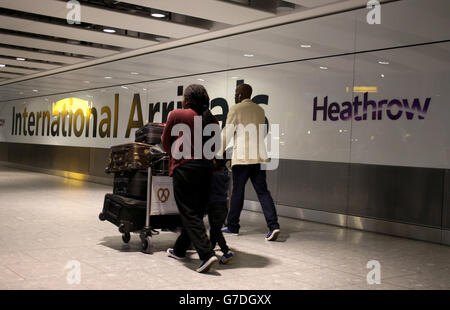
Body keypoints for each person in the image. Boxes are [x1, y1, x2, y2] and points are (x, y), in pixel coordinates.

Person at [161, 84, 219, 273]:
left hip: (184, 168)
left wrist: (176, 154)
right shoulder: (212, 119)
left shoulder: (177, 114)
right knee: (195, 211)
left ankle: (206, 254)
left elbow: (165, 142)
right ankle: (179, 250)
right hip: (206, 169)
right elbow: (215, 147)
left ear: (186, 100)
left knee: (189, 212)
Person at [220, 83, 281, 241]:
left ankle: (233, 226)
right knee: (263, 191)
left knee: (238, 192)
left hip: (242, 158)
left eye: (236, 92)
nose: (235, 95)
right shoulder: (260, 110)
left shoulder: (236, 109)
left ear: (240, 95)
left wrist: (218, 153)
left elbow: (227, 132)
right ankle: (274, 225)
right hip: (259, 157)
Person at [207, 159, 233, 264]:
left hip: (214, 206)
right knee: (214, 229)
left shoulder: (212, 178)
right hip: (223, 207)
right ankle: (210, 249)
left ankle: (226, 251)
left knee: (216, 231)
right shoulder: (225, 177)